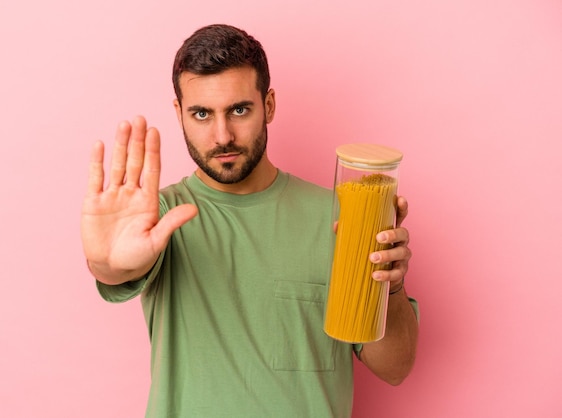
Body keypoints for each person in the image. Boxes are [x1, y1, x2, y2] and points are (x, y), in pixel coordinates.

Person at [81, 24, 419, 418]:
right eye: (202, 114)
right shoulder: (156, 222)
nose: (222, 135)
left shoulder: (340, 218)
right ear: (179, 114)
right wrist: (107, 263)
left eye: (239, 110)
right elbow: (114, 268)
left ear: (269, 105)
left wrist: (389, 288)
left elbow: (395, 368)